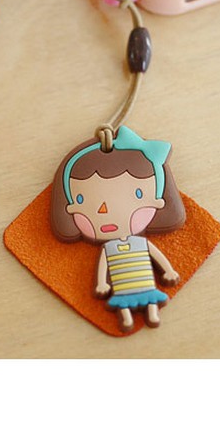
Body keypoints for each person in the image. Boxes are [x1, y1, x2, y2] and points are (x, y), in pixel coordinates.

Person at [50, 125, 186, 331]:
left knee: (150, 302)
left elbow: (156, 256)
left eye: (137, 194)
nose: (103, 210)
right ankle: (127, 319)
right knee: (124, 306)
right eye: (81, 199)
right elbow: (103, 267)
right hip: (122, 289)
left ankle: (151, 313)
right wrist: (101, 283)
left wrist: (168, 270)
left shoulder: (140, 243)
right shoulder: (109, 249)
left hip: (145, 284)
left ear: (158, 200)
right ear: (70, 206)